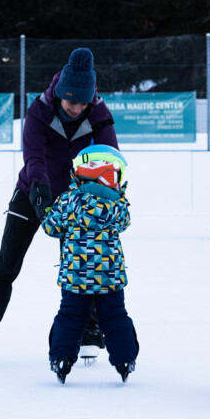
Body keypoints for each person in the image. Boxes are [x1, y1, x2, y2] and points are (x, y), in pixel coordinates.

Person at [0, 47, 119, 364]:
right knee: (6, 265)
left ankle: (88, 334)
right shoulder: (39, 111)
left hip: (76, 199)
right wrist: (40, 191)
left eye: (82, 102)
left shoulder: (98, 113)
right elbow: (34, 156)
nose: (76, 108)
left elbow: (109, 155)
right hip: (32, 191)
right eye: (70, 101)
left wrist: (101, 192)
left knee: (81, 266)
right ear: (59, 94)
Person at [43, 145, 138, 384]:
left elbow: (50, 227)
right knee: (115, 316)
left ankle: (62, 358)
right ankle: (125, 359)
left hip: (76, 275)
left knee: (71, 315)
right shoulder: (117, 205)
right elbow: (125, 222)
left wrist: (49, 211)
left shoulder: (69, 201)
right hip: (109, 276)